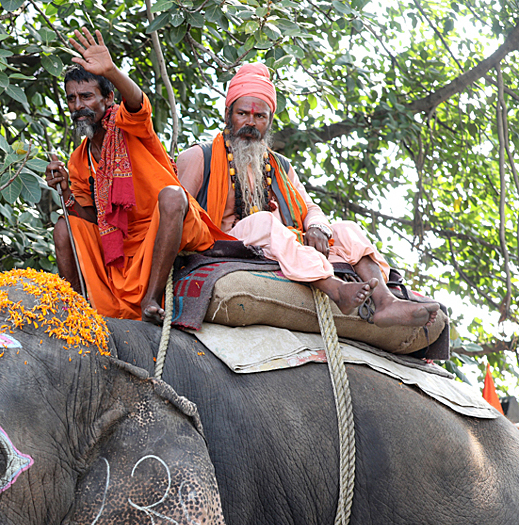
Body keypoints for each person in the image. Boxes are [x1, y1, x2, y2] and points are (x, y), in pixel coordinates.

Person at [176, 62, 438, 327]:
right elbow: (180, 217)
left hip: (283, 242)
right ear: (227, 114)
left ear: (269, 121)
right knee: (263, 221)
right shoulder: (200, 156)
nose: (250, 123)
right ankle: (334, 289)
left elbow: (309, 207)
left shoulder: (281, 166)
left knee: (346, 229)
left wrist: (317, 227)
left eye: (260, 117)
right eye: (243, 114)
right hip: (225, 242)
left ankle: (385, 302)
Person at [46, 28, 268, 323]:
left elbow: (137, 102)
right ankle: (73, 305)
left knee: (172, 195)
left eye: (86, 96)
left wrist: (110, 70)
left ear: (109, 98)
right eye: (72, 99)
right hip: (122, 242)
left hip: (168, 222)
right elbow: (89, 216)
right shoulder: (79, 159)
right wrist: (65, 192)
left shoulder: (129, 125)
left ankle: (151, 298)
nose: (78, 106)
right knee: (63, 227)